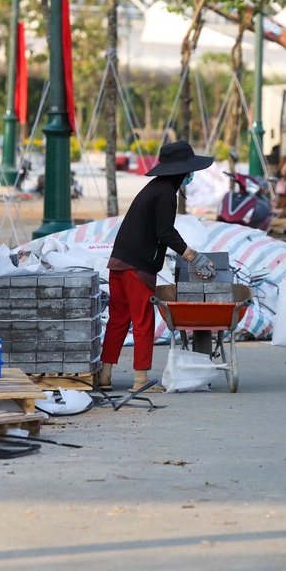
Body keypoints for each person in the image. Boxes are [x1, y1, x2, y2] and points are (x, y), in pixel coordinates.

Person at [99, 141, 217, 392]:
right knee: (143, 321)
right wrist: (191, 256)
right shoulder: (165, 193)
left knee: (118, 319)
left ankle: (104, 375)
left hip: (118, 261)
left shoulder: (153, 188)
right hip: (137, 266)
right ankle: (140, 380)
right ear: (183, 171)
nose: (190, 175)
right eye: (189, 171)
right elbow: (165, 232)